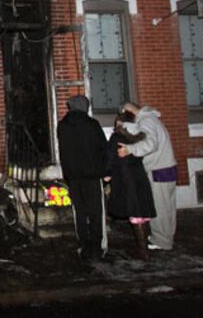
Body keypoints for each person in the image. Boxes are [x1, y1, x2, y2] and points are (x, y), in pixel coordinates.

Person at [118, 102, 177, 251]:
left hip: (159, 168)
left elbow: (151, 143)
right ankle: (166, 236)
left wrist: (130, 149)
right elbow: (142, 133)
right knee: (168, 207)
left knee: (160, 207)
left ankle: (162, 241)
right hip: (166, 166)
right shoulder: (150, 118)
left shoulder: (146, 120)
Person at [57, 95, 108, 260]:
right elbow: (103, 149)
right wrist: (105, 170)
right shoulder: (92, 124)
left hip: (73, 176)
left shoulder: (62, 126)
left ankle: (84, 245)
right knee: (95, 212)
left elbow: (64, 151)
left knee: (79, 212)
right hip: (92, 175)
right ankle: (97, 245)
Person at [105, 111, 156, 260]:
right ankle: (144, 245)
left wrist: (107, 173)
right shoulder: (140, 135)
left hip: (125, 177)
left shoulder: (117, 137)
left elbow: (110, 157)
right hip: (139, 175)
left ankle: (142, 250)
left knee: (135, 213)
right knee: (142, 213)